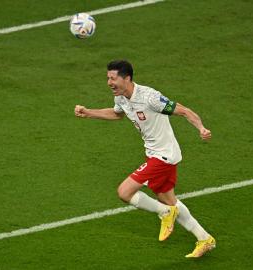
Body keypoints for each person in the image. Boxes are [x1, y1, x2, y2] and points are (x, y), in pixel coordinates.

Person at [74, 60, 215, 258]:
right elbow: (116, 115)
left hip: (163, 156)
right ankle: (205, 238)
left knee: (125, 192)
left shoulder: (150, 98)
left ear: (127, 78)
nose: (109, 82)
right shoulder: (122, 98)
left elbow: (184, 110)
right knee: (168, 199)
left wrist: (201, 128)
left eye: (113, 78)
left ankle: (165, 213)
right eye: (108, 78)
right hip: (155, 154)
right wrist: (89, 113)